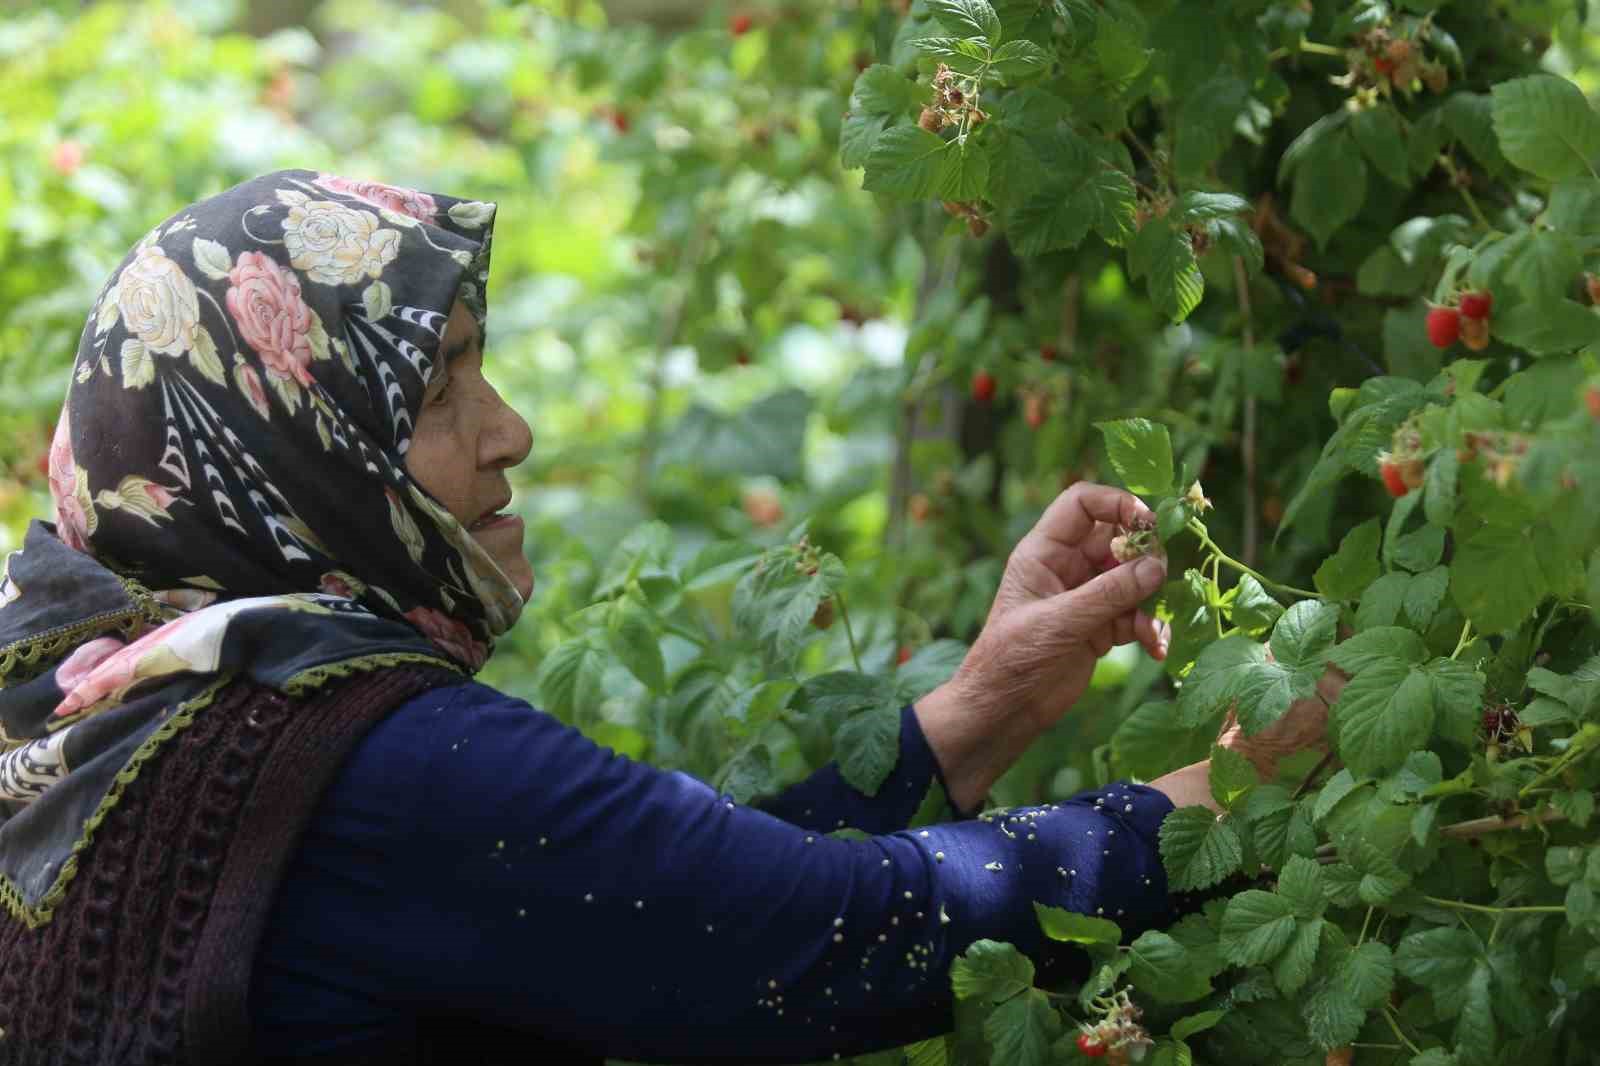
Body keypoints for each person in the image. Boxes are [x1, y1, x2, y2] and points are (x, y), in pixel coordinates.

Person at [0, 170, 1334, 1065]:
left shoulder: (111, 702)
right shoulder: (361, 761)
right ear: (299, 446)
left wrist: (977, 708)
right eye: (440, 388)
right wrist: (1234, 781)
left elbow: (648, 908)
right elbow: (818, 934)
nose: (509, 432)